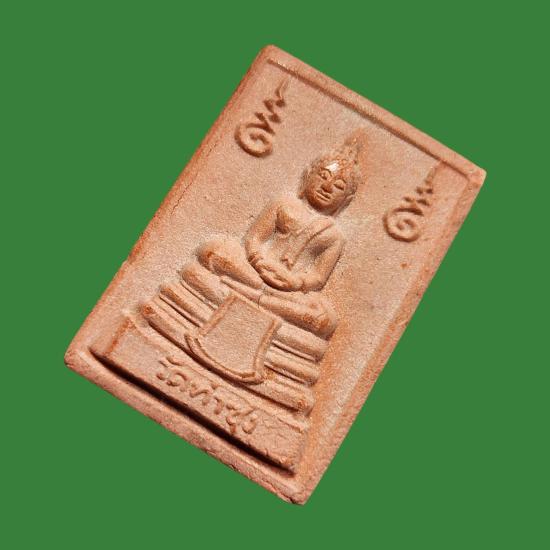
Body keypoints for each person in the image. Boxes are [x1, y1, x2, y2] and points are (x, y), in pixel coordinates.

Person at [186, 136, 363, 338]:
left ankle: (251, 295)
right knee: (212, 251)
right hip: (252, 271)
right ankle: (263, 299)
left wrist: (295, 282)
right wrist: (258, 260)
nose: (327, 187)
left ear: (346, 199)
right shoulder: (283, 204)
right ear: (308, 176)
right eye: (323, 176)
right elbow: (254, 238)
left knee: (325, 319)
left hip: (289, 291)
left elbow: (318, 277)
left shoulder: (334, 236)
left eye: (339, 186)